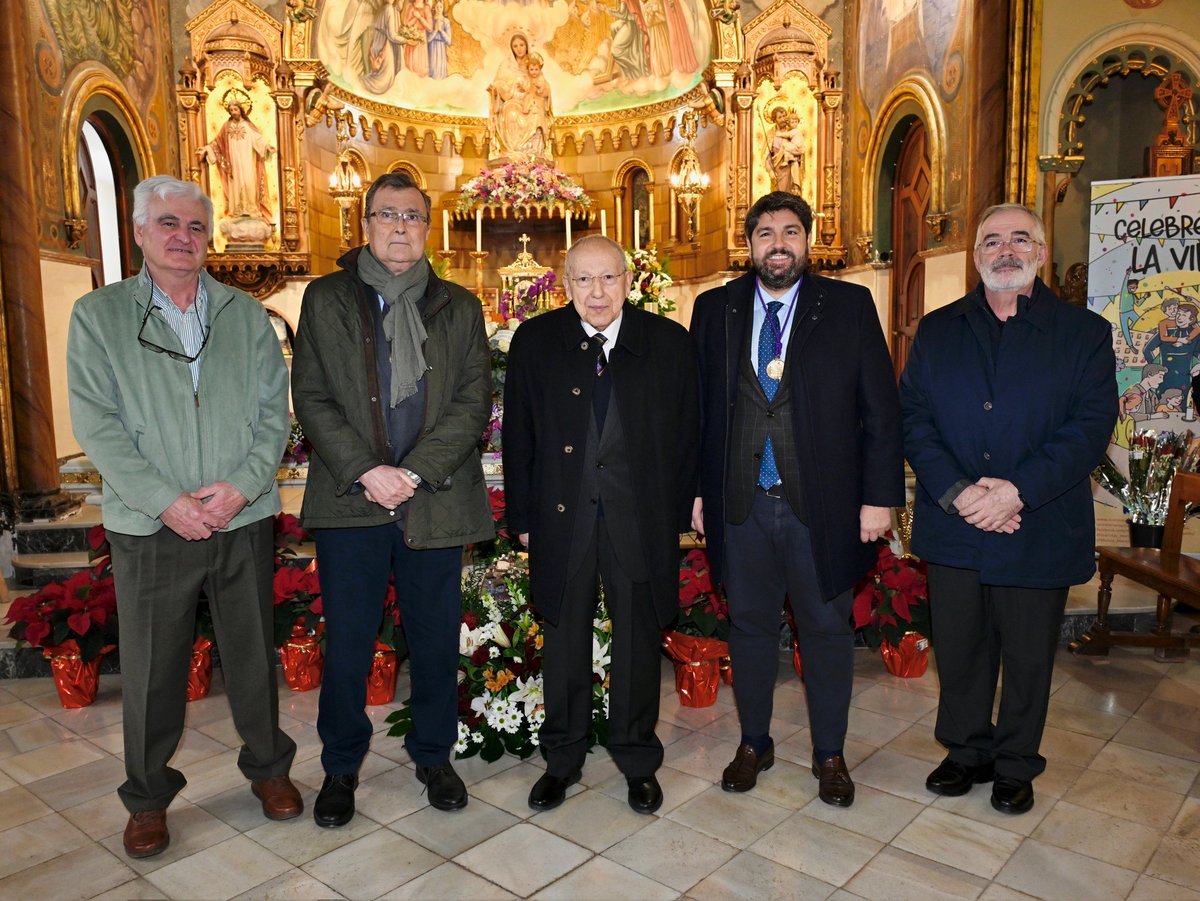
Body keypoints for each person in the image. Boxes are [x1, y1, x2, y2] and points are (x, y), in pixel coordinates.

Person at [67, 175, 301, 859]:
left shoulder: (245, 315)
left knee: (253, 652)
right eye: (167, 224)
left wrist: (240, 487)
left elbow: (272, 415)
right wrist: (166, 500)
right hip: (151, 524)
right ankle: (146, 798)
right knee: (151, 668)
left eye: (196, 227)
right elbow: (98, 424)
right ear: (140, 232)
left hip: (241, 514)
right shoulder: (100, 316)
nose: (182, 237)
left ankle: (271, 767)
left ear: (210, 238)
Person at [899, 204, 1116, 815]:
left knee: (1026, 656)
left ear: (1042, 252)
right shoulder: (938, 331)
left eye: (1021, 239)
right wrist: (962, 494)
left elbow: (1089, 428)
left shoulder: (1084, 334)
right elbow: (913, 419)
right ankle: (966, 750)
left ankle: (1017, 762)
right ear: (975, 258)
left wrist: (1014, 492)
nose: (1006, 251)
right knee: (961, 648)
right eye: (992, 241)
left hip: (1038, 523)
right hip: (956, 523)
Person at [291, 171, 493, 827]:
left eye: (412, 216)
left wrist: (413, 473)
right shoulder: (326, 299)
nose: (400, 226)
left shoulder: (459, 306)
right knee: (349, 641)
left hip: (431, 500)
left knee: (435, 642)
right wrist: (368, 470)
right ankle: (341, 767)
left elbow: (472, 403)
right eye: (387, 214)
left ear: (427, 228)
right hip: (353, 501)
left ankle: (434, 754)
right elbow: (313, 397)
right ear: (365, 224)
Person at [690, 191, 904, 808]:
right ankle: (754, 742)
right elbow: (697, 412)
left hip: (825, 505)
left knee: (826, 630)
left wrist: (878, 498)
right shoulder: (715, 309)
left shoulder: (848, 305)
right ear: (749, 244)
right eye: (764, 233)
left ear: (807, 241)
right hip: (741, 504)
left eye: (790, 232)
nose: (777, 243)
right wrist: (698, 492)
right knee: (749, 628)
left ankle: (829, 753)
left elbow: (879, 411)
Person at [503, 235, 700, 814]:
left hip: (641, 521)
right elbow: (519, 436)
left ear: (628, 281)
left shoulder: (667, 343)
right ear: (565, 286)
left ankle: (637, 759)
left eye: (608, 278)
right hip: (562, 519)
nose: (597, 291)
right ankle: (562, 759)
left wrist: (689, 499)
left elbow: (690, 431)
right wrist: (523, 517)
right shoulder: (536, 342)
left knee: (639, 642)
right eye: (584, 280)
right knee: (563, 640)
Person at [196, 91, 275, 221]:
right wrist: (206, 149)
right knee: (236, 184)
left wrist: (267, 147)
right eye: (231, 109)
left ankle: (252, 208)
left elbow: (258, 139)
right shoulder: (227, 126)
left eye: (235, 109)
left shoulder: (247, 125)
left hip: (247, 161)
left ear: (241, 109)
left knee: (249, 181)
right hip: (233, 163)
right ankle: (237, 209)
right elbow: (217, 142)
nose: (233, 111)